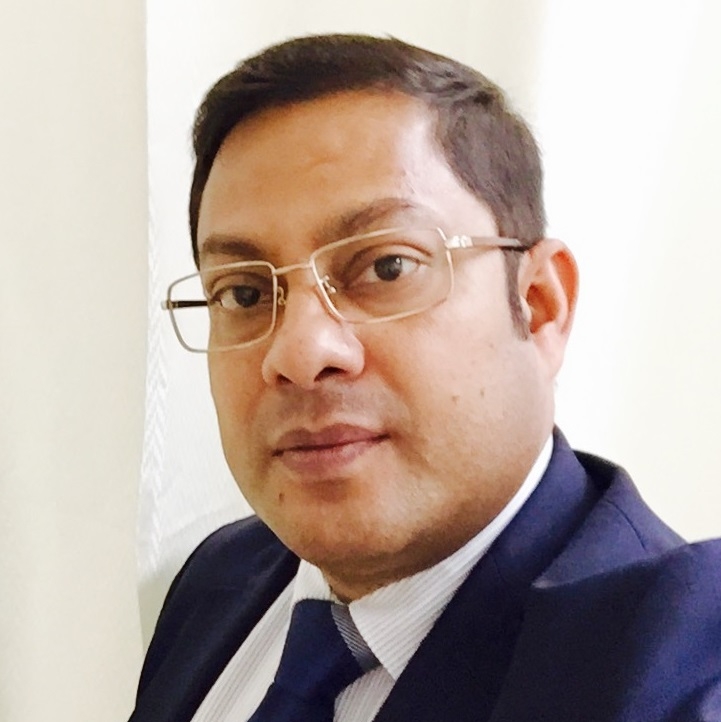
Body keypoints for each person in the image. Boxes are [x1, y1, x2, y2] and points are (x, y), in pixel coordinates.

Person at [129, 34, 721, 722]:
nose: (300, 352)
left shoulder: (679, 671)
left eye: (386, 267)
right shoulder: (217, 579)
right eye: (244, 293)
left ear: (539, 305)